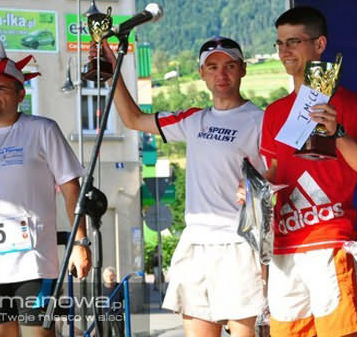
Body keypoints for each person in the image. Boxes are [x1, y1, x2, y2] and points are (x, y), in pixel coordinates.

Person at [92, 36, 264, 337]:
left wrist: (258, 187)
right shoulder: (193, 119)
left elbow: (280, 172)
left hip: (238, 245)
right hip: (195, 243)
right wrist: (112, 71)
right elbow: (133, 119)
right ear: (202, 73)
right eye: (212, 67)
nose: (221, 74)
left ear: (243, 69)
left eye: (229, 66)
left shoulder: (261, 120)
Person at [0, 43, 91, 336]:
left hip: (34, 265)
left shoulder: (43, 130)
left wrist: (80, 243)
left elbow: (71, 189)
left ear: (21, 94)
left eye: (1, 88)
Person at [260, 6, 357, 337]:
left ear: (320, 44)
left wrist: (336, 132)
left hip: (329, 239)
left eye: (293, 42)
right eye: (280, 43)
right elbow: (274, 174)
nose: (285, 51)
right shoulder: (274, 112)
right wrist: (252, 190)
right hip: (284, 247)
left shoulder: (348, 103)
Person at [101, 266, 124, 337]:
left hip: (118, 314)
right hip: (105, 315)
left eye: (112, 275)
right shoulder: (100, 288)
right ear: (104, 277)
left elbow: (126, 299)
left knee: (120, 334)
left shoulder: (120, 287)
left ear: (115, 276)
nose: (110, 278)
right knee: (106, 334)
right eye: (107, 276)